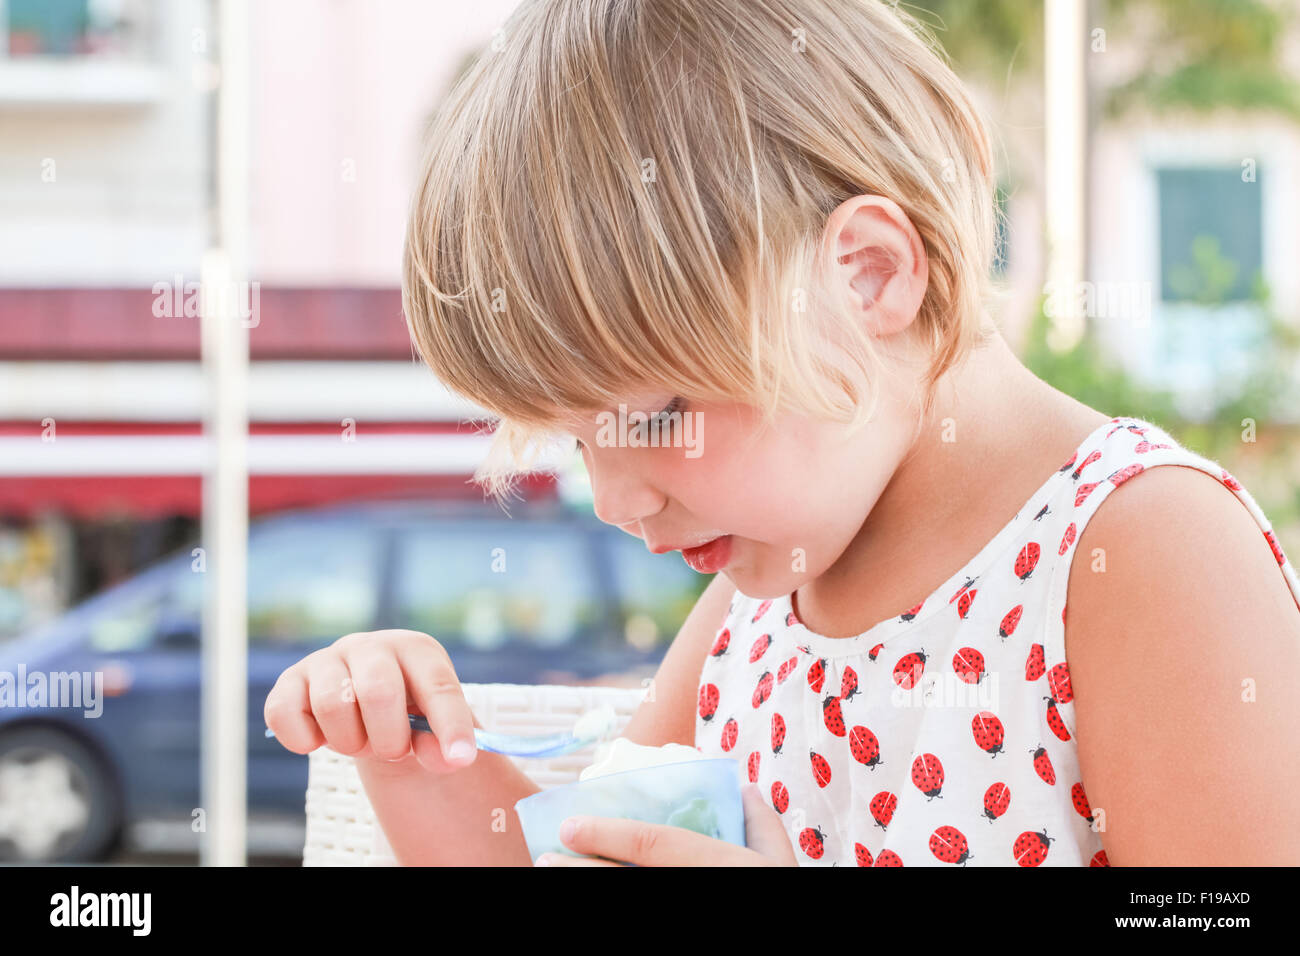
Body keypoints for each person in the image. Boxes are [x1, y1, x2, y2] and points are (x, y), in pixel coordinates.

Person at [265, 0, 1300, 865]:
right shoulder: (752, 612)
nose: (618, 500)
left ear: (869, 274)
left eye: (657, 414)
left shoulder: (1134, 551)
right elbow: (585, 852)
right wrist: (412, 751)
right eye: (579, 440)